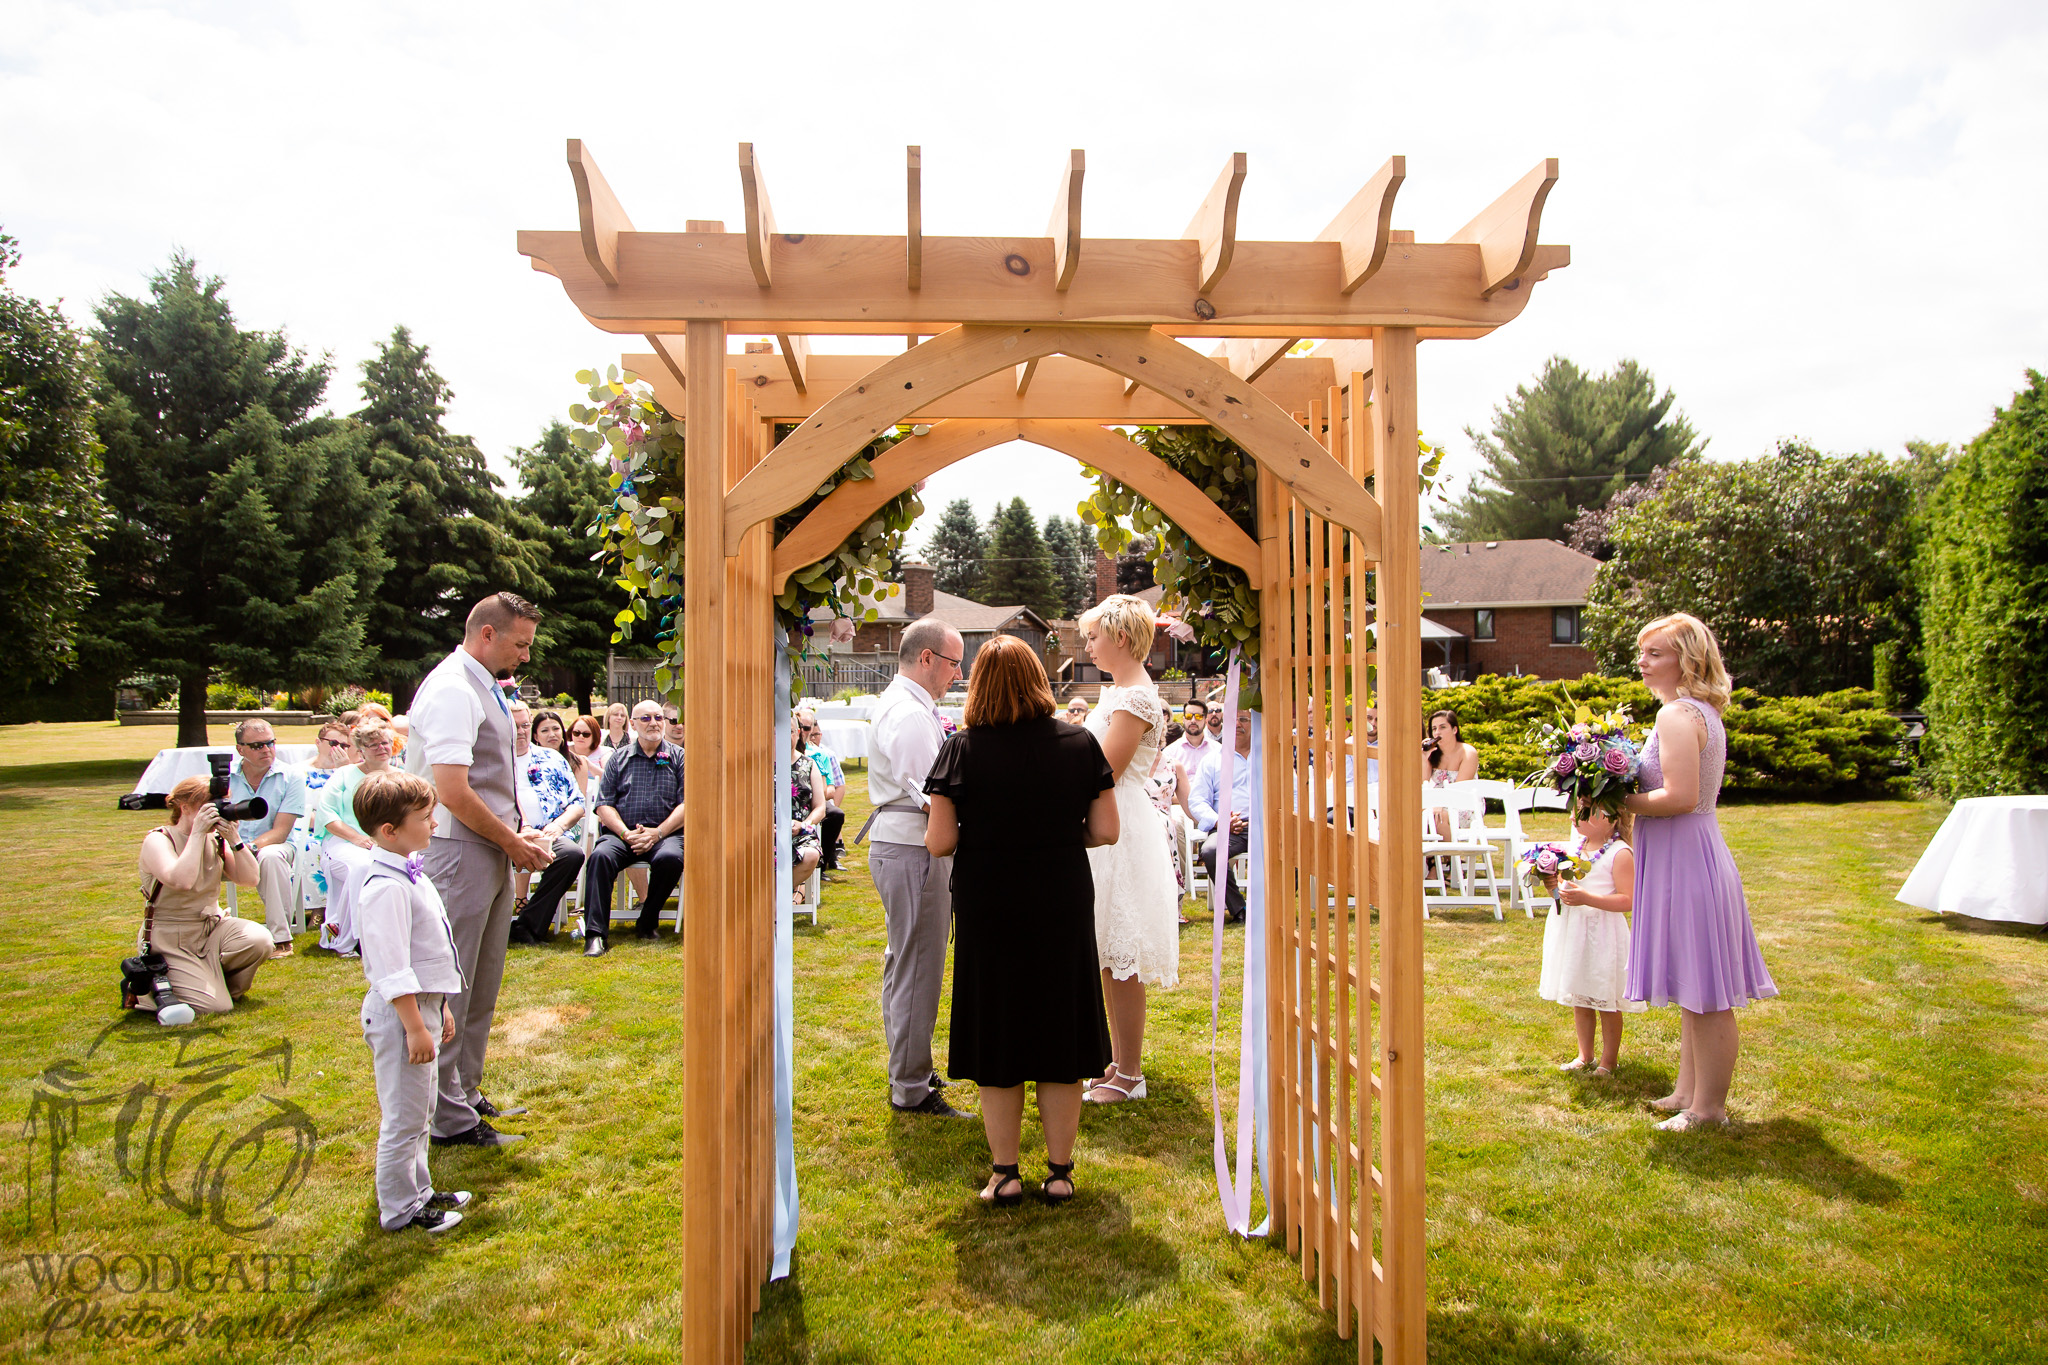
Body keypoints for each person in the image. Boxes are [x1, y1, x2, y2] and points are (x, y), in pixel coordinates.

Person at [924, 634, 1120, 1206]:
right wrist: (1060, 838)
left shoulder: (960, 750)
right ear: (1039, 678)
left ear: (977, 685)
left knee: (1000, 1028)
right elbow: (1106, 830)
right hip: (1060, 895)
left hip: (991, 902)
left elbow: (939, 843)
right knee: (1061, 1024)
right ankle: (1059, 1172)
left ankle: (1005, 1172)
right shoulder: (1080, 742)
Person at [405, 591, 553, 1149]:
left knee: (481, 981)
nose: (526, 655)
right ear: (486, 634)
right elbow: (451, 791)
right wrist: (513, 842)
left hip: (485, 849)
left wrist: (516, 834)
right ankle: (447, 1116)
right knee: (450, 986)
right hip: (456, 852)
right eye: (520, 644)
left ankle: (464, 1091)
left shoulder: (482, 681)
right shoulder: (450, 689)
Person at [1625, 612, 1777, 1132]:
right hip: (1691, 854)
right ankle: (1687, 1091)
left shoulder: (1676, 716)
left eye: (1655, 654)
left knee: (1706, 988)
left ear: (1686, 660)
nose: (1642, 663)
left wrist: (1620, 799)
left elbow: (1682, 797)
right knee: (1694, 982)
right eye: (1642, 653)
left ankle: (1709, 1108)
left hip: (1687, 858)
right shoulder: (1696, 711)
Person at [352, 769, 472, 1235]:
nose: (435, 824)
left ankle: (419, 1189)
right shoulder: (385, 887)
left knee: (421, 1108)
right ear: (389, 831)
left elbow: (428, 951)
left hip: (422, 1006)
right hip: (400, 1014)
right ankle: (400, 1207)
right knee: (403, 1116)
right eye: (425, 818)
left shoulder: (408, 870)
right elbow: (391, 967)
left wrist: (438, 1006)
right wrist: (414, 1025)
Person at [862, 618, 967, 1118]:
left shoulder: (910, 706)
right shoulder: (907, 713)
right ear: (926, 658)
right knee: (918, 964)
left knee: (906, 960)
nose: (958, 672)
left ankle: (911, 1068)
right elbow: (934, 796)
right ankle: (910, 1085)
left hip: (905, 846)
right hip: (913, 848)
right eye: (953, 662)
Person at [1078, 593, 1180, 1104]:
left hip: (1121, 826)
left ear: (1120, 637)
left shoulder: (1136, 698)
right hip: (1105, 821)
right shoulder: (1117, 692)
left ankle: (1131, 1073)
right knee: (1106, 951)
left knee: (1123, 953)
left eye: (1093, 637)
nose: (1088, 647)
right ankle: (1116, 1060)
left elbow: (1105, 770)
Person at [134, 775, 271, 1020]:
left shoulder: (215, 839)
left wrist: (235, 840)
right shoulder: (158, 840)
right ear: (184, 807)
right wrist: (197, 833)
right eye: (207, 805)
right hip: (171, 936)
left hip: (211, 927)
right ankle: (154, 989)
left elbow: (250, 879)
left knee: (260, 939)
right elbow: (182, 881)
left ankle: (213, 986)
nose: (216, 811)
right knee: (218, 1008)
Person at [1538, 805, 1642, 1074]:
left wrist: (1587, 898)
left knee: (1606, 999)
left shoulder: (1619, 854)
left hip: (1602, 934)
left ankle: (1609, 1061)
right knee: (1580, 995)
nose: (1574, 816)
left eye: (1583, 811)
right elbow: (1563, 891)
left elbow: (1627, 900)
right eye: (1574, 810)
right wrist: (1554, 886)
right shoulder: (1574, 849)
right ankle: (1585, 1054)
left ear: (1608, 817)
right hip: (1574, 931)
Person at [583, 699, 688, 955]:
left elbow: (688, 803)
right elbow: (604, 804)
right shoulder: (618, 759)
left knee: (672, 858)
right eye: (646, 718)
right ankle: (595, 934)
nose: (653, 723)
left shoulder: (679, 757)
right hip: (622, 834)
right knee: (599, 857)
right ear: (633, 724)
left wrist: (658, 832)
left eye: (658, 718)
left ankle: (647, 920)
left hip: (665, 834)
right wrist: (625, 833)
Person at [313, 716, 400, 957]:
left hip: (388, 844)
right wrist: (357, 838)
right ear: (361, 750)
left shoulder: (401, 777)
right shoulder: (343, 775)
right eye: (374, 745)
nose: (381, 749)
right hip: (342, 842)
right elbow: (327, 814)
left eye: (385, 743)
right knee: (362, 867)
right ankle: (353, 939)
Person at [224, 718, 308, 958]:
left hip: (276, 846)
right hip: (229, 847)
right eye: (257, 745)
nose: (266, 749)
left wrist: (246, 847)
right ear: (240, 749)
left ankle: (280, 938)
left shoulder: (291, 776)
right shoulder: (225, 779)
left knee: (270, 857)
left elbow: (281, 832)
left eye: (270, 743)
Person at [510, 708, 589, 944]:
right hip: (505, 833)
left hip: (548, 833)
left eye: (525, 725)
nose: (520, 732)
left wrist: (558, 826)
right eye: (515, 726)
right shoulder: (495, 760)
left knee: (572, 855)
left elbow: (577, 803)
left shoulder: (552, 758)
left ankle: (528, 926)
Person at [1191, 706, 1257, 924]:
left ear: (1254, 723)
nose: (1237, 724)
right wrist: (1222, 821)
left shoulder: (1269, 755)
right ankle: (1239, 909)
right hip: (1229, 829)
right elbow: (1197, 801)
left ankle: (1267, 904)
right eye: (1233, 720)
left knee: (1298, 847)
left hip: (1266, 826)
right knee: (1210, 851)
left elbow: (1292, 793)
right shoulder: (1212, 760)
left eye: (1244, 719)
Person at [291, 720, 358, 923]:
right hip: (305, 826)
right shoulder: (297, 771)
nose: (337, 750)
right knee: (310, 846)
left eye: (344, 745)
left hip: (342, 828)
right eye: (333, 743)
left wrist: (344, 770)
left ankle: (332, 909)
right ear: (318, 743)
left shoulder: (350, 772)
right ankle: (314, 907)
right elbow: (295, 808)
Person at [795, 714, 846, 873]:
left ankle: (824, 862)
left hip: (811, 802)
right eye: (801, 727)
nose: (804, 731)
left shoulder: (817, 756)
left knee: (835, 814)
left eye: (807, 728)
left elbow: (831, 788)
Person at [789, 716, 826, 902]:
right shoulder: (761, 765)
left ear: (797, 734)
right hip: (766, 832)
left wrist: (804, 824)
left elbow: (820, 807)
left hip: (800, 831)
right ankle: (776, 901)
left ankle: (774, 895)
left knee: (811, 854)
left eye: (790, 731)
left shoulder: (809, 765)